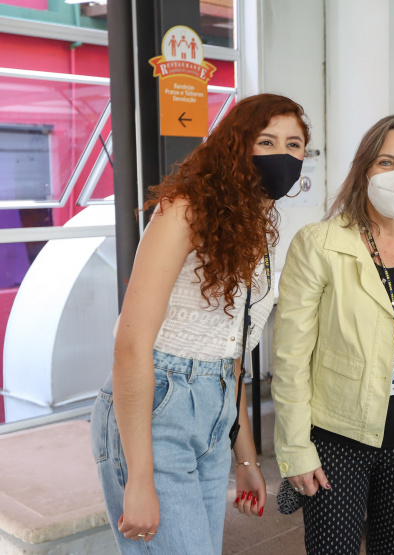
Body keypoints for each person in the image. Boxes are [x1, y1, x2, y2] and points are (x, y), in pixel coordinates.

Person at [89, 94, 309, 553]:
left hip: (216, 409)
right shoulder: (184, 210)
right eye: (267, 141)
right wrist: (140, 477)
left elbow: (231, 354)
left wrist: (246, 458)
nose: (282, 155)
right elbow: (131, 346)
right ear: (236, 146)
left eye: (294, 145)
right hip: (158, 405)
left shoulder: (257, 228)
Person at [272, 114, 394, 555]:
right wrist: (295, 449)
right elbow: (291, 357)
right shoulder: (319, 243)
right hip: (338, 440)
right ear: (364, 169)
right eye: (386, 161)